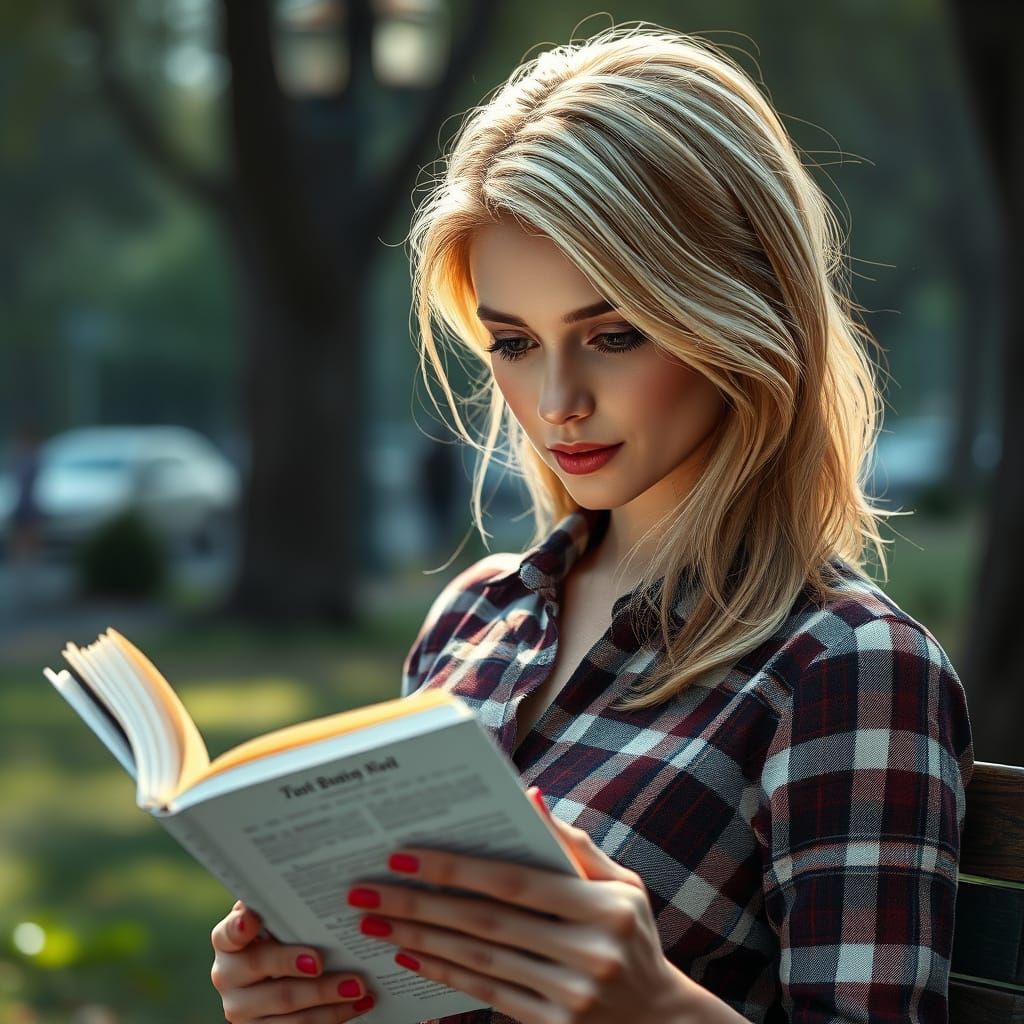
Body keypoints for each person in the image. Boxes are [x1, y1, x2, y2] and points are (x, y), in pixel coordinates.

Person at [209, 22, 974, 1024]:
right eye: (515, 343)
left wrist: (655, 1009)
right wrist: (294, 992)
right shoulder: (473, 619)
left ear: (741, 313)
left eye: (612, 334)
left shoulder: (846, 665)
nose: (557, 398)